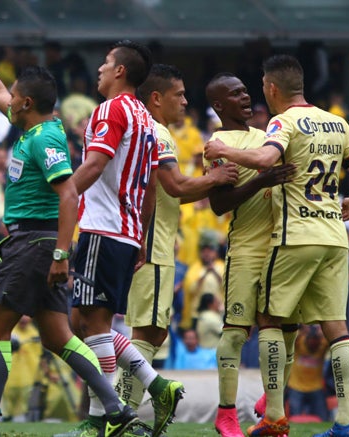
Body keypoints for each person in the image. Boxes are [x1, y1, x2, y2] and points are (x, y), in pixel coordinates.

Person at [0, 23, 146, 437]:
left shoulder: (46, 140)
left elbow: (69, 194)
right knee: (58, 337)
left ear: (28, 102)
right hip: (35, 244)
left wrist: (59, 254)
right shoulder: (31, 126)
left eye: (15, 94)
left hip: (33, 244)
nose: (8, 97)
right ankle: (115, 407)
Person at [204, 54, 349, 437]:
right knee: (337, 329)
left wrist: (227, 154)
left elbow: (266, 158)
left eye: (253, 88)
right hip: (333, 237)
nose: (250, 96)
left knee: (272, 322)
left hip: (293, 237)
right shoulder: (337, 121)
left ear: (271, 88)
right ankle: (345, 423)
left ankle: (274, 417)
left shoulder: (280, 124)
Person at [67, 40, 184, 437]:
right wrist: (141, 240)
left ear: (120, 72)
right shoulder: (146, 120)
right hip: (126, 231)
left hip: (103, 227)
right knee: (84, 320)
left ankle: (104, 418)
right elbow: (150, 187)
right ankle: (158, 385)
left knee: (94, 326)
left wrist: (62, 200)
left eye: (105, 63)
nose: (100, 69)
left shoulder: (112, 109)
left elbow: (96, 164)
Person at [114, 64, 238, 414]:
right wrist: (217, 178)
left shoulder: (144, 129)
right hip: (151, 243)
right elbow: (176, 186)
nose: (185, 101)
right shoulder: (159, 133)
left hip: (149, 239)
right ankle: (118, 409)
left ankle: (121, 408)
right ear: (156, 97)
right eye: (178, 95)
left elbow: (175, 194)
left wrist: (207, 180)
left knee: (152, 333)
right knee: (146, 332)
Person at [201, 72, 297, 437]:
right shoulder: (217, 143)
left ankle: (270, 402)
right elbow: (218, 204)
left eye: (245, 90)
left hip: (282, 246)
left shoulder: (269, 136)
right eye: (235, 93)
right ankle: (226, 413)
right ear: (219, 105)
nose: (245, 97)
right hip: (245, 248)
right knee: (237, 331)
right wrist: (260, 180)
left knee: (288, 329)